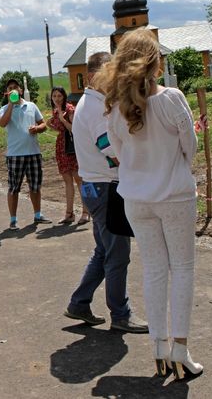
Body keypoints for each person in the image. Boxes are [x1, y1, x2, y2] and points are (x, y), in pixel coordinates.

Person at [102, 30, 202, 379]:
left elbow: (117, 154)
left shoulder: (114, 109)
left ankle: (159, 346)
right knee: (183, 268)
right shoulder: (172, 99)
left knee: (154, 270)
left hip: (135, 198)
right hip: (174, 194)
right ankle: (180, 348)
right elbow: (190, 147)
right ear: (154, 62)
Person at [63, 52, 148, 334]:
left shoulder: (90, 103)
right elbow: (111, 150)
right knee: (118, 255)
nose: (113, 78)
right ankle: (121, 314)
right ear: (92, 76)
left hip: (94, 186)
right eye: (108, 73)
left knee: (104, 251)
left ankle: (79, 302)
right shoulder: (96, 108)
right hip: (106, 188)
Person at [0, 77, 52, 230]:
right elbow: (2, 123)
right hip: (15, 154)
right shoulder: (4, 108)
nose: (13, 90)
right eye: (10, 88)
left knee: (35, 186)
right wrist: (10, 104)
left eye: (15, 87)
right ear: (6, 93)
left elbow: (43, 124)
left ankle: (37, 215)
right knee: (14, 188)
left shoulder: (31, 106)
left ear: (21, 90)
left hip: (33, 152)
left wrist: (38, 128)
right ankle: (13, 220)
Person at [46, 86, 90, 225]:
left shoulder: (70, 109)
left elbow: (74, 129)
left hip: (72, 148)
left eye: (59, 96)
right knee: (67, 181)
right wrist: (51, 125)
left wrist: (62, 119)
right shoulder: (55, 111)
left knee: (79, 180)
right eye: (54, 96)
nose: (57, 99)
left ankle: (86, 212)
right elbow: (60, 130)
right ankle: (69, 213)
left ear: (64, 96)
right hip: (61, 148)